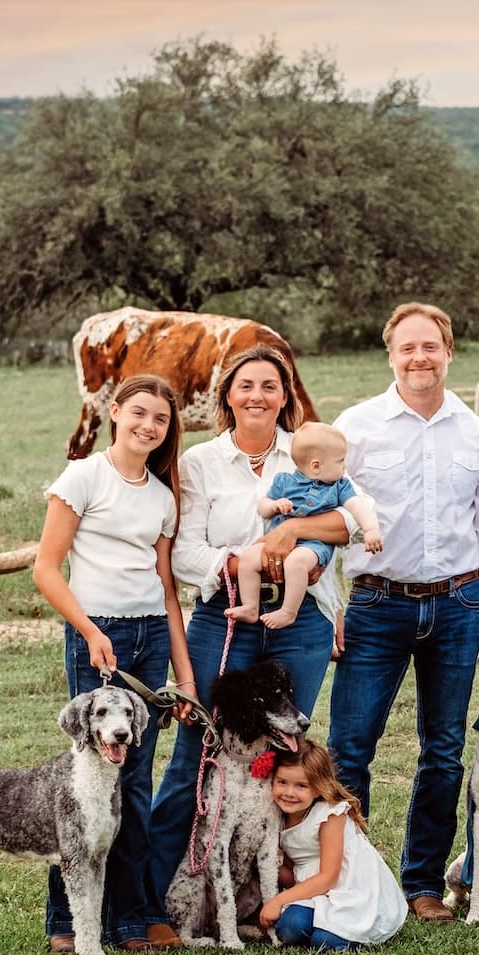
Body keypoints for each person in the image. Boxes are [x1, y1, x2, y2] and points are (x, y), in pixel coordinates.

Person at [327, 302, 479, 925]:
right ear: (390, 354)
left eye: (430, 346)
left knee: (444, 749)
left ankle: (422, 882)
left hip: (459, 604)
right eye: (407, 347)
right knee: (351, 748)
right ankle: (347, 878)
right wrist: (331, 606)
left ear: (449, 351)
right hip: (377, 603)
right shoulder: (355, 429)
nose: (419, 358)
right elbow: (324, 521)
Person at [149, 346, 354, 917]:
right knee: (198, 752)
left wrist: (294, 544)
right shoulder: (201, 464)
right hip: (224, 616)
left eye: (270, 385)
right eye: (246, 386)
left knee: (285, 755)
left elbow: (348, 523)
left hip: (300, 616)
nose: (258, 396)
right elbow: (184, 552)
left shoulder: (310, 450)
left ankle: (263, 897)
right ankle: (151, 900)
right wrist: (239, 560)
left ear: (284, 395)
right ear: (228, 396)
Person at [32, 373, 197, 954]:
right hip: (97, 634)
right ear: (115, 412)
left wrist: (184, 676)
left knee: (136, 781)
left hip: (151, 636)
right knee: (88, 781)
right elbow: (47, 569)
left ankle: (132, 917)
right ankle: (66, 922)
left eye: (160, 420)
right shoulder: (83, 477)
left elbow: (168, 589)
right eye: (140, 414)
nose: (149, 426)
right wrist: (89, 632)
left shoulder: (161, 496)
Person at [228, 421, 382, 630]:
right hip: (277, 541)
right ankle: (250, 606)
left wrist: (371, 530)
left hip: (315, 545)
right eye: (341, 461)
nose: (344, 466)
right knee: (248, 559)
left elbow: (358, 508)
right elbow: (263, 507)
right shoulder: (284, 481)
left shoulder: (339, 486)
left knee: (296, 563)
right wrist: (275, 505)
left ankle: (288, 611)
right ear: (316, 466)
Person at [259, 741, 408, 950]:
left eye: (301, 785)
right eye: (282, 782)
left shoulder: (329, 815)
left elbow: (329, 876)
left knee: (325, 941)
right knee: (290, 927)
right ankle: (317, 926)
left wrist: (278, 901)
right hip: (315, 891)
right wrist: (268, 860)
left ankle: (342, 935)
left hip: (350, 888)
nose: (289, 793)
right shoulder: (277, 815)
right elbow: (295, 875)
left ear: (319, 788)